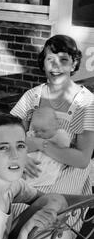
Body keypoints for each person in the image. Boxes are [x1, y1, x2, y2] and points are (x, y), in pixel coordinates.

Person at [10, 34, 94, 228]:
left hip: (67, 172)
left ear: (74, 64)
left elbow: (81, 159)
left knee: (44, 218)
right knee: (3, 205)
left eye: (64, 60)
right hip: (28, 167)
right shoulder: (32, 97)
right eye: (51, 60)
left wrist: (39, 143)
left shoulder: (85, 103)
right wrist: (20, 154)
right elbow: (6, 135)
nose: (56, 67)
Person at [25, 106, 70, 187]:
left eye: (43, 130)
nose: (39, 133)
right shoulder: (34, 134)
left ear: (56, 125)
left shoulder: (59, 134)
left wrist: (42, 143)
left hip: (48, 164)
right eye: (36, 130)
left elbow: (63, 147)